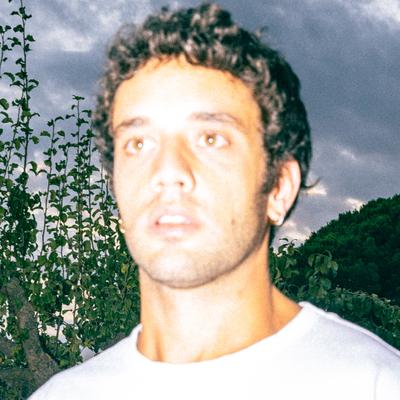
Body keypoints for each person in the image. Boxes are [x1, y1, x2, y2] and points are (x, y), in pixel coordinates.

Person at [30, 3, 400, 399]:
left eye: (211, 139)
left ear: (279, 188)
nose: (167, 170)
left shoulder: (375, 385)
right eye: (138, 143)